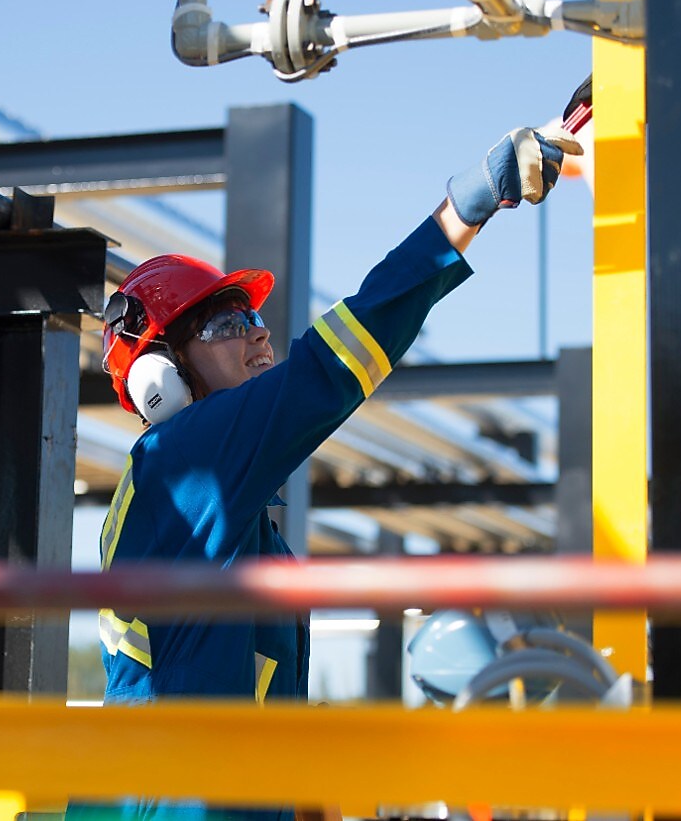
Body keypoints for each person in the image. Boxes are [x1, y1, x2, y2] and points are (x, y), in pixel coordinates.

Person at [74, 125, 582, 821]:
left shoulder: (239, 520)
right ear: (165, 377)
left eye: (252, 314)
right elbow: (327, 368)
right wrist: (466, 208)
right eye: (225, 323)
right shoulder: (179, 460)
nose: (257, 331)